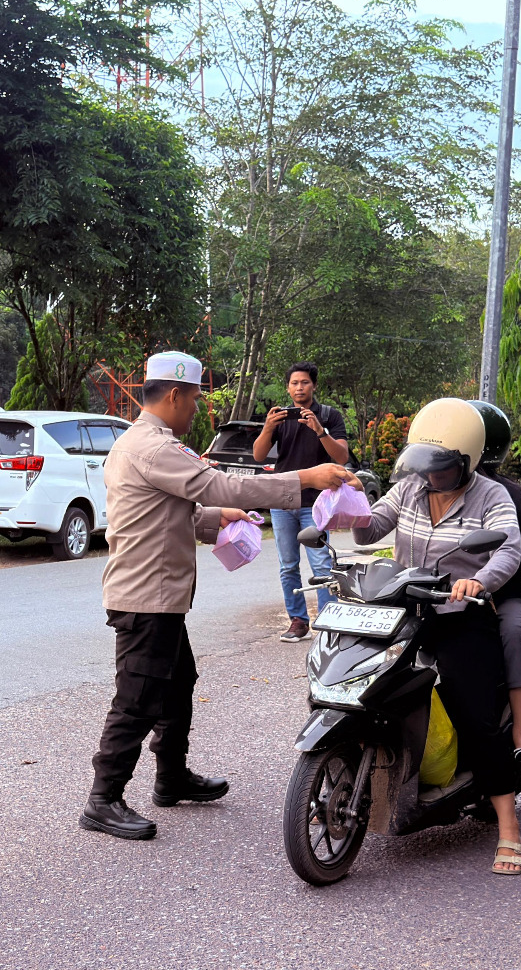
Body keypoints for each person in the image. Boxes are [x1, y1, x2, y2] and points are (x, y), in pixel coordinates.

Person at [82, 350, 360, 841]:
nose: (196, 409)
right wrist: (304, 480)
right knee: (139, 697)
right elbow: (221, 485)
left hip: (160, 594)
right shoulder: (153, 447)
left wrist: (217, 521)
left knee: (178, 681)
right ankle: (103, 798)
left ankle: (170, 777)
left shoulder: (149, 444)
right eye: (193, 399)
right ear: (173, 394)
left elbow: (179, 515)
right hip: (145, 596)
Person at [352, 397, 521, 876]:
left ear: (467, 462)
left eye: (441, 468)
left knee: (472, 710)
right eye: (425, 467)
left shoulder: (492, 497)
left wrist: (480, 581)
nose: (430, 477)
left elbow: (509, 552)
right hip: (404, 607)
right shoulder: (409, 488)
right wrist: (345, 503)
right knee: (357, 680)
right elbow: (368, 531)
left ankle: (508, 826)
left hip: (459, 611)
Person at [469, 400, 521, 778]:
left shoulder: (512, 496)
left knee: (515, 634)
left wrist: (493, 574)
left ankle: (519, 735)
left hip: (503, 597)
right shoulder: (424, 489)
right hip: (439, 594)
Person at [250, 363, 349, 641]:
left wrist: (320, 430)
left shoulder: (329, 416)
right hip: (281, 501)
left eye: (304, 382)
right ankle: (298, 620)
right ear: (288, 387)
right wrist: (268, 427)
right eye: (294, 383)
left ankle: (330, 622)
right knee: (288, 565)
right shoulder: (280, 418)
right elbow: (258, 455)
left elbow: (341, 457)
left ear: (314, 385)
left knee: (320, 565)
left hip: (316, 503)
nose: (299, 388)